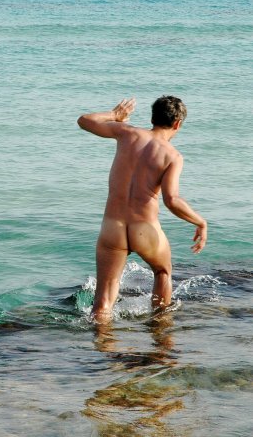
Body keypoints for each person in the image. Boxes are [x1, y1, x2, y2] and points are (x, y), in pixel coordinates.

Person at [77, 96, 207, 322]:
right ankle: (160, 331)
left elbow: (84, 120)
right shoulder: (173, 156)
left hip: (112, 227)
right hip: (145, 228)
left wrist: (114, 115)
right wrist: (200, 222)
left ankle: (102, 342)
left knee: (103, 299)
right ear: (177, 124)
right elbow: (172, 200)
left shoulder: (127, 133)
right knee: (162, 271)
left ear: (153, 117)